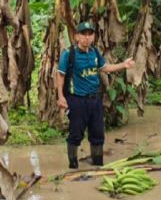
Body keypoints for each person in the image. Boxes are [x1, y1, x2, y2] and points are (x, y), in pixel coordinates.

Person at [56, 21, 135, 169]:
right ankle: (73, 166)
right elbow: (60, 75)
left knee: (98, 134)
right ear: (76, 36)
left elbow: (105, 68)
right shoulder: (68, 54)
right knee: (75, 134)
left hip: (95, 100)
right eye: (83, 34)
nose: (87, 37)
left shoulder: (95, 52)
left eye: (90, 34)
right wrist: (61, 97)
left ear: (93, 36)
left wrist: (123, 65)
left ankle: (98, 166)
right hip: (77, 101)